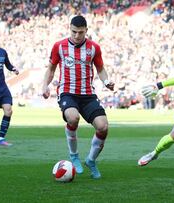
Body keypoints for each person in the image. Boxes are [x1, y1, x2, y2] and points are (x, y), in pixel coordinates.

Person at [42, 15, 115, 179]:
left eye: (80, 33)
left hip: (88, 94)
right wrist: (45, 86)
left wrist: (106, 81)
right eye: (74, 32)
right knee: (73, 118)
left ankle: (91, 160)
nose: (76, 36)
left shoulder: (94, 48)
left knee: (103, 127)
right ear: (69, 28)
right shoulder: (59, 46)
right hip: (67, 92)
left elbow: (101, 69)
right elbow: (51, 69)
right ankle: (74, 155)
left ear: (86, 31)